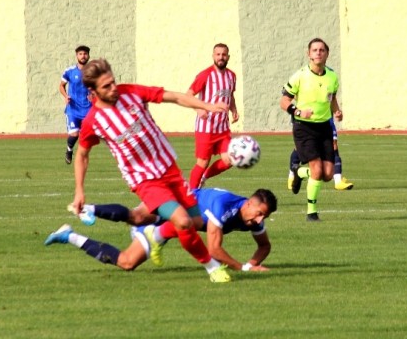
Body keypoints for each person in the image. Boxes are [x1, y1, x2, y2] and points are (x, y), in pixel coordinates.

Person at [59, 58, 232, 282]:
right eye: (106, 86)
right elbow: (82, 154)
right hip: (145, 180)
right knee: (183, 222)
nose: (113, 89)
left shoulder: (131, 92)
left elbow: (175, 96)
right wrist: (79, 190)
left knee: (194, 222)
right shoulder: (94, 121)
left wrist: (206, 106)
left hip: (169, 168)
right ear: (92, 91)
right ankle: (212, 268)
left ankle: (153, 232)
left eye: (113, 82)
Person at [47, 188, 277, 273]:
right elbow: (214, 250)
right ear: (248, 203)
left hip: (175, 224)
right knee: (137, 216)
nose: (259, 220)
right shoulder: (223, 206)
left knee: (127, 262)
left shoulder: (253, 219)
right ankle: (86, 208)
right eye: (258, 213)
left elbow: (264, 245)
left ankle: (69, 235)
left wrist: (253, 262)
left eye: (264, 216)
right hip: (171, 206)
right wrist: (245, 268)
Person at [280, 38, 342, 222]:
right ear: (309, 54)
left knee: (328, 174)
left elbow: (331, 99)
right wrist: (298, 111)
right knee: (316, 169)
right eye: (314, 50)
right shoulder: (299, 76)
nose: (318, 53)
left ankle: (299, 172)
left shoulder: (332, 77)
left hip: (324, 128)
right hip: (303, 127)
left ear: (327, 54)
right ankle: (311, 213)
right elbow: (283, 102)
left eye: (322, 50)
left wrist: (337, 111)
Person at [186, 43, 239, 189]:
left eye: (224, 54)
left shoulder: (231, 76)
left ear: (228, 56)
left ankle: (205, 176)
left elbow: (230, 95)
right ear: (213, 56)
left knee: (230, 159)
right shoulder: (205, 75)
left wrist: (234, 109)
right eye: (218, 54)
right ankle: (191, 195)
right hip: (206, 127)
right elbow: (188, 95)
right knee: (202, 162)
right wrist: (198, 109)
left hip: (222, 128)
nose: (221, 57)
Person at [287, 117, 354, 191]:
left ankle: (338, 181)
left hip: (325, 118)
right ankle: (292, 176)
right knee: (299, 147)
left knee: (334, 145)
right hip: (304, 119)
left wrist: (336, 110)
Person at [59, 45, 92, 164]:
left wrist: (95, 95)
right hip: (73, 110)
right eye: (80, 54)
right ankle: (69, 150)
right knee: (74, 134)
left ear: (88, 55)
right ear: (77, 56)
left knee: (89, 137)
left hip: (89, 110)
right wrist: (65, 96)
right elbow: (61, 85)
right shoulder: (70, 71)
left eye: (85, 54)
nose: (83, 56)